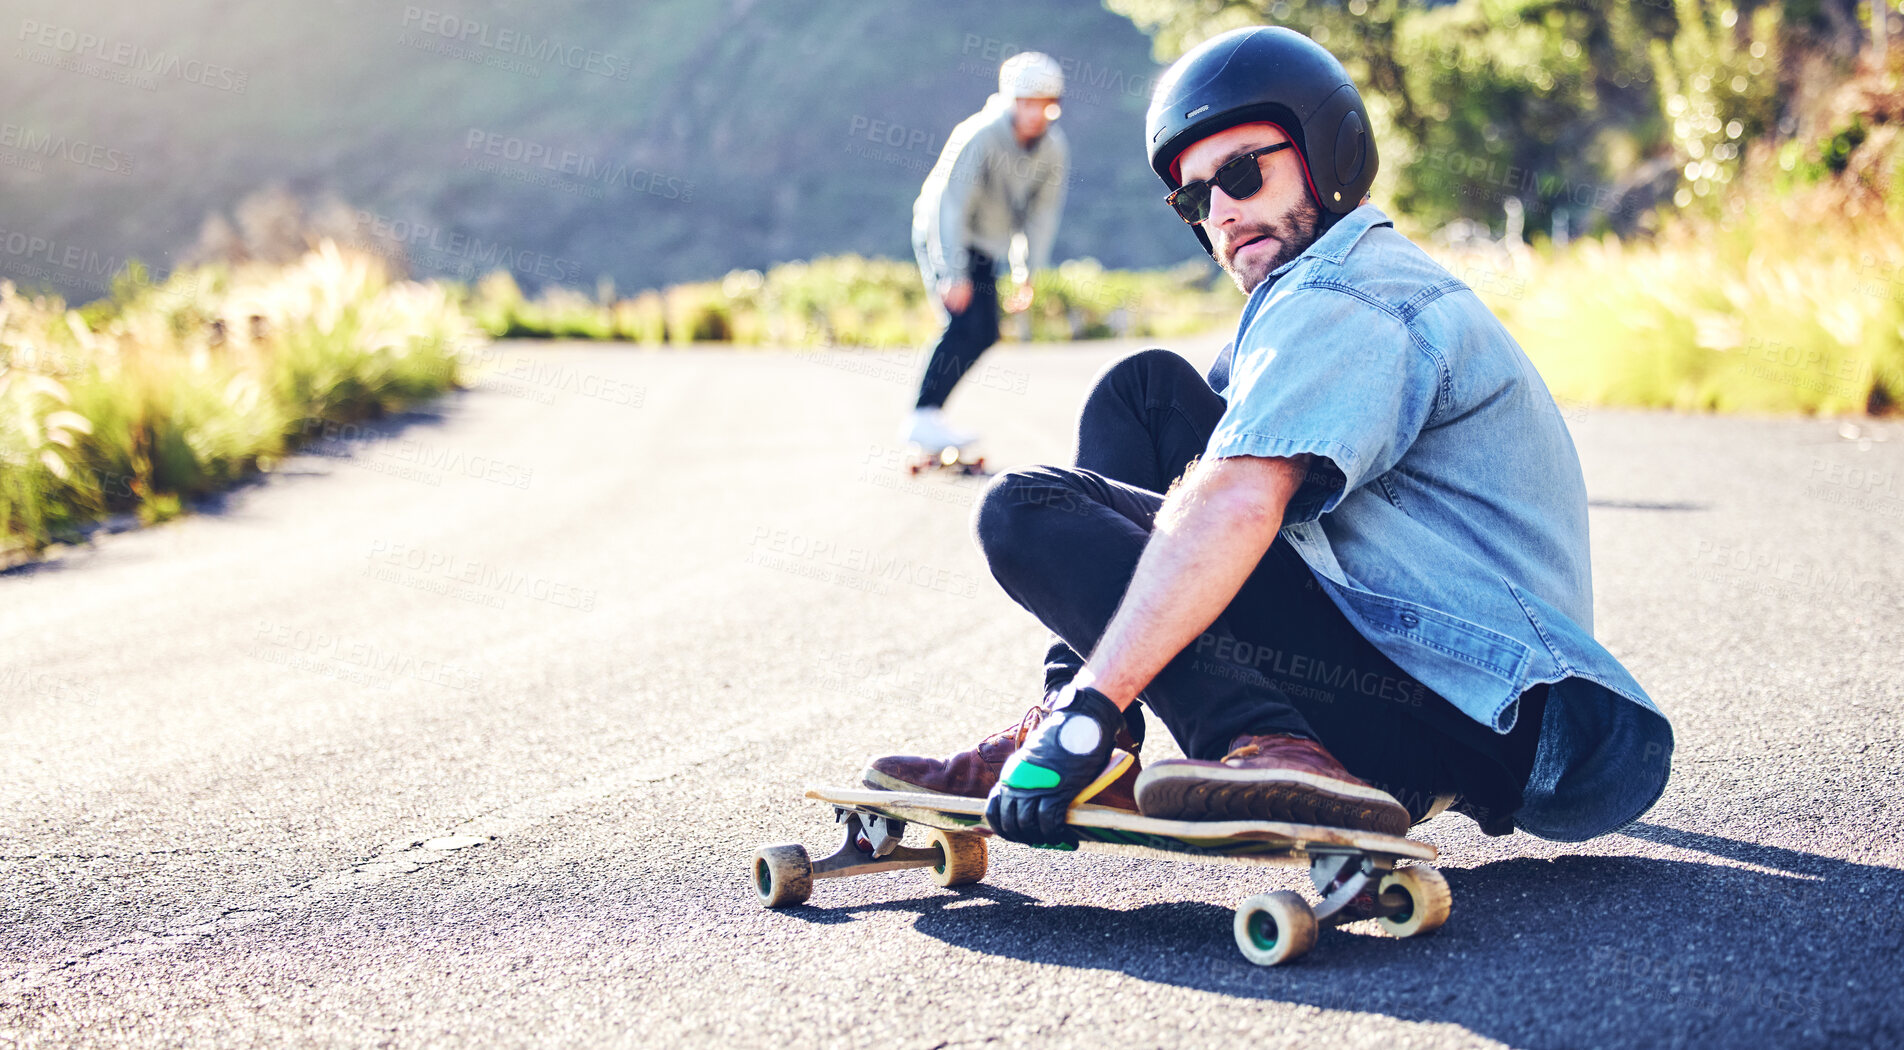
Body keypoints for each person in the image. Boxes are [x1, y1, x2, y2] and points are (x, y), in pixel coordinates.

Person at [864, 26, 1673, 847]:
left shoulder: (1350, 295)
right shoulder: (1325, 292)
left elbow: (1239, 500)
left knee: (1024, 508)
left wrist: (1088, 703)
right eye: (1193, 199)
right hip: (1448, 694)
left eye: (1244, 173)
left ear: (1329, 155)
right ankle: (1114, 746)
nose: (1218, 212)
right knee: (1143, 397)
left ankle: (1257, 743)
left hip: (1458, 703)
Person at [902, 52, 1070, 454]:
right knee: (963, 323)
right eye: (1026, 101)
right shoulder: (980, 134)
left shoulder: (1054, 150)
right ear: (1010, 98)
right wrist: (953, 272)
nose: (1035, 112)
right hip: (945, 235)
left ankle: (928, 419)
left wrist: (1027, 272)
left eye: (1045, 103)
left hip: (987, 244)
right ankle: (923, 418)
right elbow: (951, 205)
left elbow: (1042, 216)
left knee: (985, 332)